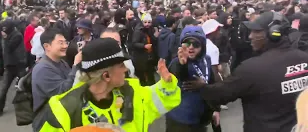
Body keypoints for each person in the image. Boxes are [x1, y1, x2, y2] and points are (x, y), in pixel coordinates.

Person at [187, 12, 308, 132]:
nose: (250, 36)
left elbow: (219, 95)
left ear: (274, 33)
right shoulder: (304, 59)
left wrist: (202, 87)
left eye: (256, 31)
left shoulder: (251, 69)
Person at [35, 38, 181, 132]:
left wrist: (167, 84)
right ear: (106, 76)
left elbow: (161, 100)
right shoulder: (65, 109)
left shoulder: (132, 92)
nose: (126, 69)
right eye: (121, 65)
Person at [166, 26, 220, 132]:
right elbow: (179, 75)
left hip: (200, 118)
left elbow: (213, 85)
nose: (191, 47)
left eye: (195, 44)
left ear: (203, 46)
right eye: (187, 44)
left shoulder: (206, 60)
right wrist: (182, 65)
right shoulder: (176, 62)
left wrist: (215, 109)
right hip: (179, 120)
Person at [32, 28, 82, 131]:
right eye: (60, 43)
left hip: (60, 117)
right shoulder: (42, 69)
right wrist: (76, 65)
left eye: (65, 42)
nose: (65, 46)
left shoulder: (61, 62)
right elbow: (62, 93)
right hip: (48, 122)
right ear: (47, 46)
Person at [0, 19, 26, 117]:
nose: (3, 30)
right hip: (9, 66)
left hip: (19, 65)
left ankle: (28, 107)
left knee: (24, 87)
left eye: (5, 28)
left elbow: (9, 48)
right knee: (4, 89)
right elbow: (2, 50)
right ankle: (0, 109)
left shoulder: (17, 35)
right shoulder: (6, 35)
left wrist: (5, 38)